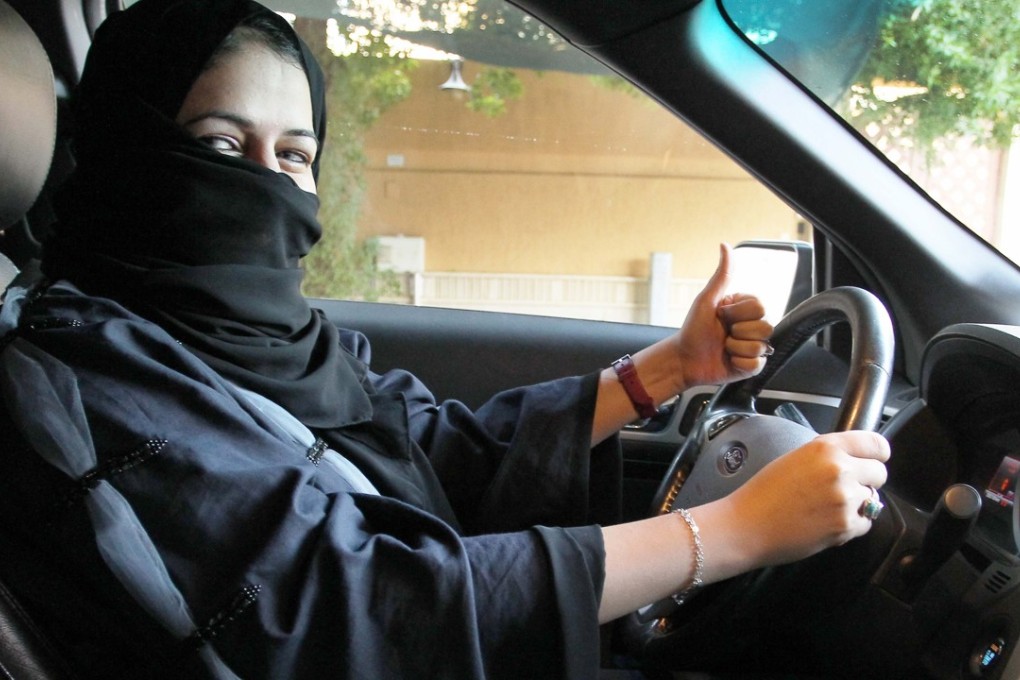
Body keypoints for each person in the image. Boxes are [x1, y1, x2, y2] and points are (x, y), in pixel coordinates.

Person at [0, 0, 890, 678]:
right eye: (224, 149)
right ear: (125, 151)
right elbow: (351, 605)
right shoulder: (87, 377)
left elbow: (432, 448)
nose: (268, 187)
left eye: (296, 155)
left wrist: (670, 370)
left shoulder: (269, 339)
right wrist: (730, 532)